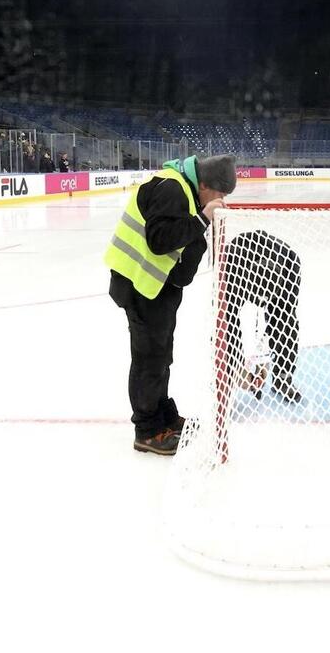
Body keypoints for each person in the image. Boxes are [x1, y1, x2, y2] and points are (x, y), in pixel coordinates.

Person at [105, 153, 237, 456]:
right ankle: (147, 430)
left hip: (155, 286)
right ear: (204, 185)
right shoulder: (172, 188)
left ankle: (162, 414)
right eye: (220, 193)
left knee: (160, 355)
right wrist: (202, 219)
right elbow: (158, 240)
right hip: (138, 284)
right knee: (148, 359)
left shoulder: (184, 189)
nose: (221, 200)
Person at [223, 230, 302, 403]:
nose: (262, 302)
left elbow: (285, 319)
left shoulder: (291, 265)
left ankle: (283, 379)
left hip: (279, 270)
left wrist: (262, 359)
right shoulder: (232, 271)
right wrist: (238, 369)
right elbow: (229, 323)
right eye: (260, 298)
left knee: (286, 322)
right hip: (240, 265)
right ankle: (226, 379)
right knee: (226, 323)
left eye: (267, 298)